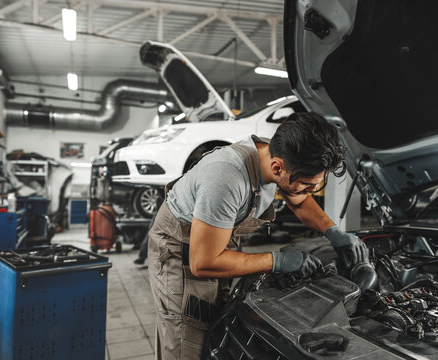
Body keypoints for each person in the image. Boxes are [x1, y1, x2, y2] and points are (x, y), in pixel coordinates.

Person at [147, 112, 368, 360]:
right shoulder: (226, 177)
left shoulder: (278, 154)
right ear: (277, 167)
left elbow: (298, 199)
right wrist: (278, 261)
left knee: (215, 326)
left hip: (215, 240)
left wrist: (332, 231)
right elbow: (203, 262)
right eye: (307, 184)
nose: (309, 191)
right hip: (181, 249)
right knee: (188, 334)